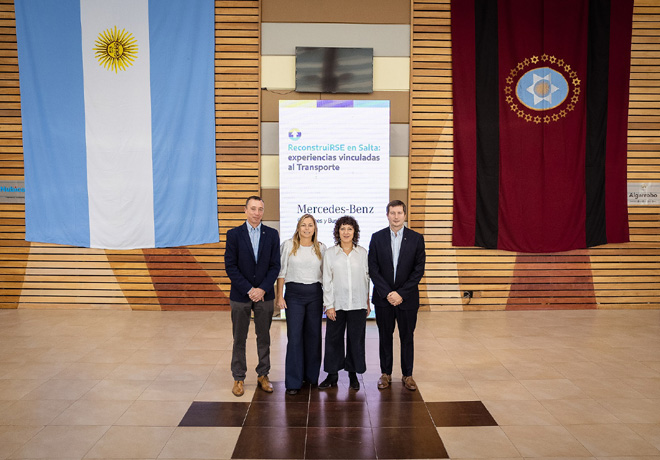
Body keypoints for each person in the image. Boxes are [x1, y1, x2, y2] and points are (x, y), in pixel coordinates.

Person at [224, 196, 280, 397]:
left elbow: (275, 266)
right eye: (253, 208)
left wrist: (262, 289)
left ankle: (263, 375)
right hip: (240, 295)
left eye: (260, 209)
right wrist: (249, 289)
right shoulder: (234, 235)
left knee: (263, 337)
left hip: (265, 295)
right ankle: (238, 377)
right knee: (239, 337)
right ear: (245, 210)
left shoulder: (272, 234)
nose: (257, 213)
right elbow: (230, 266)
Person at [368, 200, 426, 391]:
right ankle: (385, 374)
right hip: (384, 300)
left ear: (405, 215)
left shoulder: (417, 239)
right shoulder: (377, 238)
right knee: (385, 337)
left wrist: (401, 293)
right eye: (392, 213)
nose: (396, 216)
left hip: (407, 299)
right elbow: (373, 269)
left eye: (399, 213)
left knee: (407, 337)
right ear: (387, 215)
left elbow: (418, 271)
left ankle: (408, 375)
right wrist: (388, 293)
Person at [319, 215, 370, 391]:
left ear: (354, 231)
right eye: (342, 229)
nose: (346, 232)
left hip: (358, 304)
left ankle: (353, 375)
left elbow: (366, 278)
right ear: (337, 232)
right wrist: (329, 305)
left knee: (356, 341)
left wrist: (367, 301)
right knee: (333, 340)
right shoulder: (330, 254)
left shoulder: (362, 253)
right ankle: (332, 375)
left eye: (349, 228)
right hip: (337, 305)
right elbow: (327, 280)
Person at [276, 214, 326, 395]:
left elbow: (326, 276)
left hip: (315, 295)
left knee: (314, 336)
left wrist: (328, 301)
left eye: (310, 225)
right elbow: (281, 272)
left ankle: (311, 377)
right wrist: (279, 297)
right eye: (303, 225)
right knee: (295, 337)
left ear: (315, 228)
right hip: (294, 295)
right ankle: (293, 382)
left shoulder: (321, 248)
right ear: (298, 227)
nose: (306, 228)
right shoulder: (288, 246)